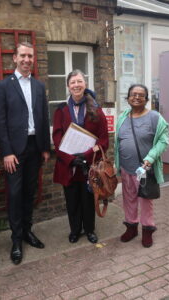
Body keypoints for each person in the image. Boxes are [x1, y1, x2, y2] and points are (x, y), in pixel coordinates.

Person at [0, 42, 50, 265]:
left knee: (29, 192)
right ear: (15, 58)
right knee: (15, 195)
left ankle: (27, 231)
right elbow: (0, 120)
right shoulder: (4, 86)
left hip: (34, 147)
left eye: (30, 56)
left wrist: (45, 147)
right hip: (14, 152)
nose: (27, 60)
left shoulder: (38, 86)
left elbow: (44, 118)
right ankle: (16, 240)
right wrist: (6, 152)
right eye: (23, 56)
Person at [52, 69, 109, 244]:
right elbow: (57, 138)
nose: (76, 85)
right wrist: (71, 159)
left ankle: (90, 229)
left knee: (88, 199)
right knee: (72, 200)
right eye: (72, 82)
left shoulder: (96, 110)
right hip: (68, 165)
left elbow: (104, 140)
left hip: (89, 165)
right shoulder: (61, 110)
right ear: (68, 86)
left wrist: (84, 156)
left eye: (79, 81)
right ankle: (75, 230)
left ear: (85, 84)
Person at [115, 84, 169, 248]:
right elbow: (118, 142)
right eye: (133, 94)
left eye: (141, 95)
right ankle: (131, 227)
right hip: (126, 168)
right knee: (128, 199)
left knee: (146, 200)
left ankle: (147, 230)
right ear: (128, 97)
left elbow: (163, 141)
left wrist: (151, 158)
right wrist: (118, 165)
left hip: (145, 169)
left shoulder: (155, 117)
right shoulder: (123, 117)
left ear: (146, 99)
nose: (136, 97)